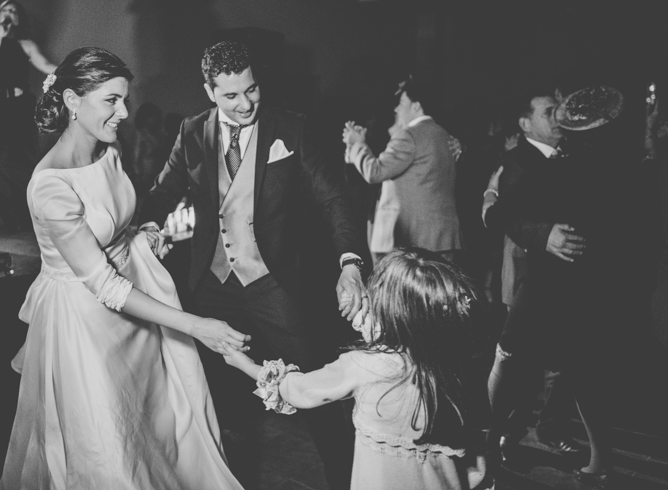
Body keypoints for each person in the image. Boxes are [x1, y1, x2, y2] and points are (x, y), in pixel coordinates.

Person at [0, 47, 248, 490]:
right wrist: (196, 326)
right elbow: (103, 284)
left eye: (124, 99)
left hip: (136, 316)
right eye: (111, 100)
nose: (125, 112)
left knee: (152, 430)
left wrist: (142, 235)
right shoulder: (50, 185)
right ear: (72, 101)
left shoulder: (108, 151)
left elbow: (115, 224)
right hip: (87, 325)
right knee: (110, 447)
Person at [139, 40, 367, 490]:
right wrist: (146, 227)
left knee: (316, 391)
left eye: (252, 89)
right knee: (206, 396)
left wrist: (351, 262)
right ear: (209, 91)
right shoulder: (191, 132)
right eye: (231, 95)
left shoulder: (293, 128)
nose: (245, 104)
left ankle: (346, 480)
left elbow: (334, 200)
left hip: (273, 283)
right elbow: (163, 192)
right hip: (210, 287)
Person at [223, 249, 488, 490]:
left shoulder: (363, 365)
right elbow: (477, 468)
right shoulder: (461, 363)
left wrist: (245, 365)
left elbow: (299, 390)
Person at [481, 90, 582, 468]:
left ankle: (550, 428)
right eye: (549, 111)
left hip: (570, 276)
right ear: (525, 124)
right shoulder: (517, 162)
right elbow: (499, 217)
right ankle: (493, 436)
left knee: (563, 357)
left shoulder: (571, 155)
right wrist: (544, 234)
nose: (558, 116)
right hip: (533, 275)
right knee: (515, 357)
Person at [343, 78, 462, 260]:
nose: (397, 109)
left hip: (418, 238)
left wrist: (358, 144)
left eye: (401, 103)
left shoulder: (409, 135)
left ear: (416, 106)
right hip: (444, 237)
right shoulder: (445, 135)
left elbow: (375, 172)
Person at [0, 0, 56, 232]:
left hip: (20, 106)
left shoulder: (26, 44)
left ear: (18, 19)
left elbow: (46, 65)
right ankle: (12, 218)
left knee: (24, 160)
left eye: (14, 11)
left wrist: (76, 72)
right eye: (6, 9)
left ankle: (29, 215)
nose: (10, 13)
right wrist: (0, 35)